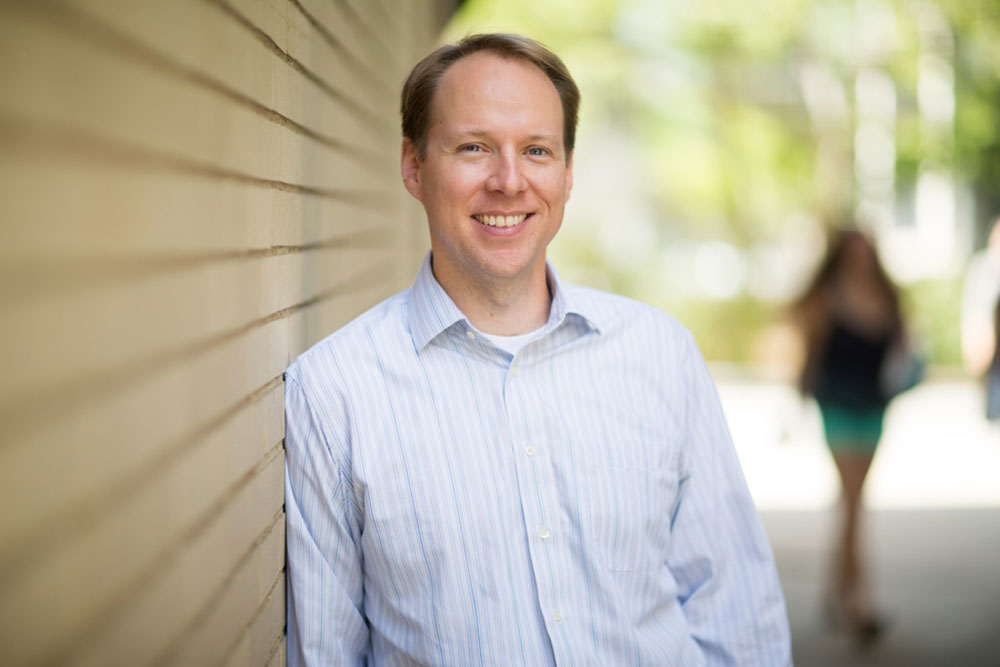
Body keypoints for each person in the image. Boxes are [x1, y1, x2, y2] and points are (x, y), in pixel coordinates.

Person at [284, 33, 790, 666]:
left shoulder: (661, 355)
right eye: (473, 147)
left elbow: (737, 612)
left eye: (537, 150)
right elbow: (328, 653)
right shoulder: (333, 391)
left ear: (568, 172)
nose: (509, 181)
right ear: (413, 166)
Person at [792, 228, 902, 646]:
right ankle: (859, 603)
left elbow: (901, 344)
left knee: (853, 503)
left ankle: (834, 594)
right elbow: (807, 342)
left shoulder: (887, 297)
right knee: (854, 502)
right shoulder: (827, 296)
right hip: (837, 405)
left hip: (873, 407)